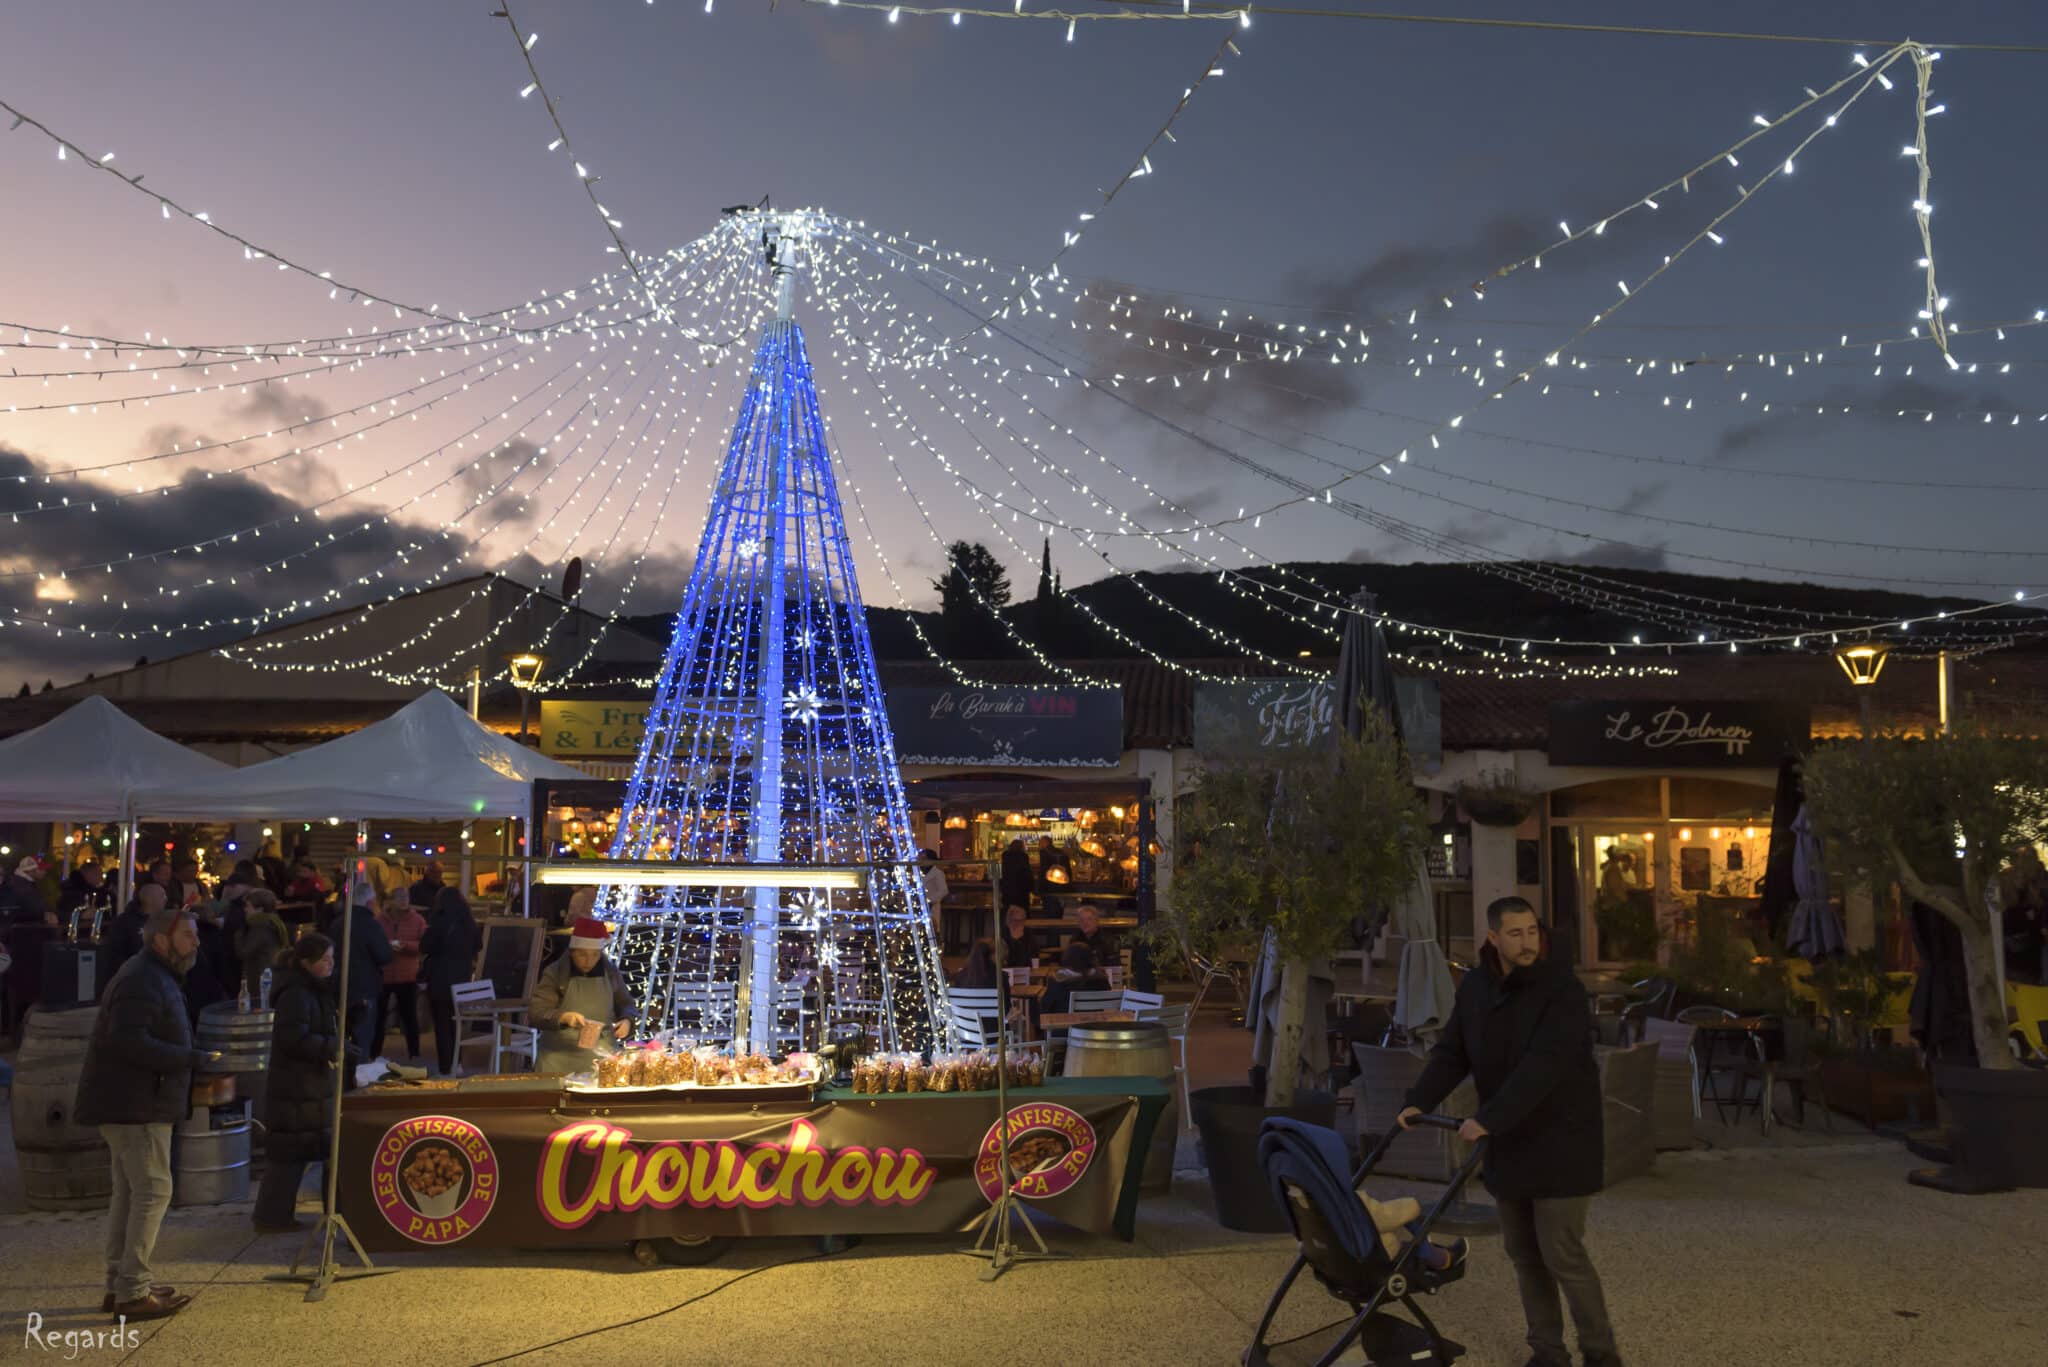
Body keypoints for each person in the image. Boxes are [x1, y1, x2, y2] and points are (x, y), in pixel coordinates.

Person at [1399, 897, 1617, 1367]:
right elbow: (1453, 1051)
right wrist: (1418, 1100)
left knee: (1563, 1254)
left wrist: (1488, 1119)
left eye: (1532, 932)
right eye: (1515, 934)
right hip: (1510, 1144)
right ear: (1493, 938)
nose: (1527, 943)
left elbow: (1545, 1066)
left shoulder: (1562, 990)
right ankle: (1547, 1352)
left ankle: (1601, 1354)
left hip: (1562, 1141)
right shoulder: (1477, 987)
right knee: (1523, 1253)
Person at [73, 902, 219, 1322]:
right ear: (161, 939)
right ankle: (132, 1292)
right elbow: (126, 1042)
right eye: (188, 935)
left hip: (135, 1101)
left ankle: (120, 1283)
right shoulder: (143, 978)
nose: (196, 942)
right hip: (135, 1104)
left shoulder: (156, 975)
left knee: (132, 1192)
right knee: (153, 1191)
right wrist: (189, 1057)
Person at [254, 933, 345, 1233]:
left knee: (303, 1150)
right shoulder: (297, 994)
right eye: (325, 960)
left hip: (308, 1084)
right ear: (307, 963)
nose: (331, 965)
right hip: (296, 1085)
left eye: (332, 958)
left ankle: (279, 1214)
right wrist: (331, 1045)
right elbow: (293, 1038)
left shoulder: (312, 990)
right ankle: (273, 1216)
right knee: (290, 1154)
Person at [530, 917, 638, 1074]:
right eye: (582, 955)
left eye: (595, 955)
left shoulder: (610, 972)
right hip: (557, 1061)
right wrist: (563, 1018)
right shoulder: (555, 973)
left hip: (602, 1060)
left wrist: (627, 1020)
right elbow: (536, 1012)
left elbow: (626, 1003)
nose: (589, 961)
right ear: (572, 951)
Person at [420, 887, 479, 1075]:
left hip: (439, 979)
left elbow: (425, 946)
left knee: (442, 1024)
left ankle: (446, 1066)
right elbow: (478, 945)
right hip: (461, 980)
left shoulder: (438, 921)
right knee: (457, 1023)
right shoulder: (468, 922)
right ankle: (458, 1062)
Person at [337, 880, 392, 1065]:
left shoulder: (338, 922)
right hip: (365, 988)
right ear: (370, 902)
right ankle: (358, 1079)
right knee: (362, 1036)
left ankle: (343, 1078)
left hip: (338, 987)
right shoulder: (370, 925)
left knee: (341, 1037)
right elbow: (383, 955)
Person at [374, 891, 426, 1061]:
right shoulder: (379, 921)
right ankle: (374, 1054)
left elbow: (425, 944)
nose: (404, 901)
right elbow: (373, 942)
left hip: (407, 974)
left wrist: (407, 946)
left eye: (406, 898)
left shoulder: (417, 920)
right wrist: (385, 947)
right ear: (390, 901)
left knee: (409, 1016)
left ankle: (414, 1053)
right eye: (399, 898)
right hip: (384, 974)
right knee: (378, 1017)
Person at [100, 882, 163, 991]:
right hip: (131, 979)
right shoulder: (125, 922)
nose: (166, 899)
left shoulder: (162, 922)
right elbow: (115, 952)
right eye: (162, 896)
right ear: (149, 899)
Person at [237, 889, 291, 1003]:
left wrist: (239, 934)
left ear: (260, 909)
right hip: (270, 974)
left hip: (259, 977)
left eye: (248, 906)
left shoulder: (260, 926)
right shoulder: (274, 922)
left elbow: (244, 951)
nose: (245, 909)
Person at [1040, 941, 1109, 1017]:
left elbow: (1046, 1007)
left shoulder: (1058, 980)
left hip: (1063, 1026)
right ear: (1090, 958)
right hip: (1095, 1025)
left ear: (1067, 958)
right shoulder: (1102, 980)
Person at [0, 855, 56, 928]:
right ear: (31, 870)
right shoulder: (20, 886)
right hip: (21, 932)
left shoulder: (26, 884)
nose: (45, 872)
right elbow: (13, 911)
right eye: (41, 869)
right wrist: (44, 915)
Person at [1070, 901, 1119, 967]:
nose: (1085, 923)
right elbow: (1069, 964)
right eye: (1081, 920)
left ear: (1096, 921)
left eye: (1089, 919)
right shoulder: (1075, 939)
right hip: (1080, 976)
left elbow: (1115, 969)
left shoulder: (1108, 940)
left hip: (1101, 976)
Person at [919, 849, 949, 941]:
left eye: (924, 858)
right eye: (920, 858)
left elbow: (944, 890)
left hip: (931, 906)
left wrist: (930, 901)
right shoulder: (918, 873)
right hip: (918, 906)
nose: (921, 861)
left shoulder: (938, 873)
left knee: (931, 932)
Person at [998, 838, 1034, 916]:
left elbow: (1002, 874)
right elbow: (1027, 875)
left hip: (1007, 892)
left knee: (1008, 913)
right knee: (1022, 914)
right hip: (1021, 893)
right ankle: (1021, 928)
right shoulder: (1023, 857)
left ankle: (1007, 927)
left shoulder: (1005, 857)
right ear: (1022, 847)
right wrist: (1031, 888)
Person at [999, 903, 1037, 970]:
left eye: (1022, 920)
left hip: (1026, 969)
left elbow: (1034, 953)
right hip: (1007, 970)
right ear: (1009, 920)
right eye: (1016, 920)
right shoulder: (1003, 933)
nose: (1019, 923)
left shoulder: (1028, 933)